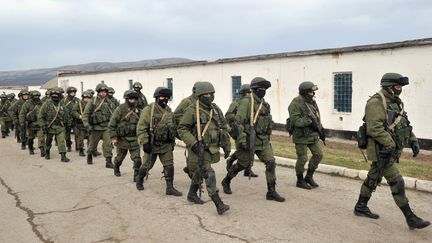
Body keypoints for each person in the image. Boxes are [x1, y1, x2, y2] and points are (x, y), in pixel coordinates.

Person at [353, 73, 430, 230]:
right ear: (389, 86)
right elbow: (374, 128)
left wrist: (413, 140)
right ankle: (410, 217)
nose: (400, 89)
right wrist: (390, 145)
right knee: (397, 182)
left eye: (401, 87)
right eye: (397, 86)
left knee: (373, 177)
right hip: (382, 150)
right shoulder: (376, 102)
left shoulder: (396, 102)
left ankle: (360, 206)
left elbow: (404, 124)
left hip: (390, 150)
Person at [221, 77, 285, 202]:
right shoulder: (246, 102)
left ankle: (271, 191)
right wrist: (242, 139)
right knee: (242, 165)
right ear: (255, 89)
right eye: (261, 88)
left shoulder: (264, 104)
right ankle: (226, 180)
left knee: (271, 162)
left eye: (265, 89)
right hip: (248, 139)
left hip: (263, 141)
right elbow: (238, 123)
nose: (263, 91)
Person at [177, 81, 231, 215]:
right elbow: (182, 128)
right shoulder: (191, 110)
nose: (209, 96)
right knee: (209, 173)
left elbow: (223, 128)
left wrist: (226, 145)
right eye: (206, 94)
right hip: (198, 148)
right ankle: (218, 203)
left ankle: (191, 194)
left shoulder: (216, 109)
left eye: (211, 94)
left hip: (211, 148)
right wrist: (194, 143)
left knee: (199, 172)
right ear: (200, 95)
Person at [135, 87, 182, 197]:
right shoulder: (149, 110)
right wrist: (145, 143)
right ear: (156, 97)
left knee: (169, 165)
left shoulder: (169, 111)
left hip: (166, 144)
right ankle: (139, 179)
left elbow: (173, 127)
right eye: (162, 97)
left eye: (167, 97)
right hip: (152, 144)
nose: (164, 99)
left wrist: (175, 140)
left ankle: (169, 187)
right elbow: (141, 127)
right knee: (146, 166)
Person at [287, 81, 325, 190]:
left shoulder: (312, 102)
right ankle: (299, 180)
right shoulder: (295, 104)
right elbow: (296, 121)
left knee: (318, 155)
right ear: (304, 92)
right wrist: (309, 121)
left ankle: (309, 177)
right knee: (302, 158)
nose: (313, 94)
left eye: (313, 92)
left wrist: (321, 129)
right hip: (301, 136)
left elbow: (316, 116)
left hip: (313, 135)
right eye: (311, 92)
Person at [224, 84, 258, 177]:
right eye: (247, 93)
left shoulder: (253, 104)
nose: (249, 95)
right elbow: (228, 116)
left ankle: (248, 170)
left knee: (252, 148)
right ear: (242, 94)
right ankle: (231, 160)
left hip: (250, 130)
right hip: (239, 130)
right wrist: (240, 117)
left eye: (250, 93)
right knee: (242, 149)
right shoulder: (236, 103)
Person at [109, 90, 142, 181]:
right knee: (119, 158)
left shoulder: (139, 109)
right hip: (122, 139)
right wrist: (114, 137)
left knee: (137, 159)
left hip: (135, 139)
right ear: (126, 99)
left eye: (135, 99)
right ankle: (116, 166)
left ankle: (136, 175)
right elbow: (112, 125)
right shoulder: (120, 109)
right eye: (131, 99)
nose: (133, 101)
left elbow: (143, 123)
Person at [173, 81, 201, 177]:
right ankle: (194, 176)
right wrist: (189, 122)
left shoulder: (203, 101)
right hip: (190, 133)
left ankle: (191, 170)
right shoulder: (187, 101)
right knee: (193, 155)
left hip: (201, 133)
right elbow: (176, 115)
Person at [82, 83, 114, 168]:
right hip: (95, 128)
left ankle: (108, 161)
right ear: (98, 92)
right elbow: (85, 114)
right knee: (92, 145)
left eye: (104, 92)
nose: (103, 93)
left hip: (106, 127)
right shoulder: (93, 101)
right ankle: (89, 155)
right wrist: (87, 125)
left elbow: (114, 115)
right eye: (101, 92)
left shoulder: (109, 102)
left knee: (108, 144)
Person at [38, 88, 70, 162]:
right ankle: (47, 152)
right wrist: (43, 125)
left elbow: (66, 115)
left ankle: (63, 155)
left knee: (61, 141)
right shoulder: (46, 104)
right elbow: (40, 116)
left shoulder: (61, 104)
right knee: (48, 141)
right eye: (53, 95)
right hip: (49, 127)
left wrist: (68, 124)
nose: (55, 96)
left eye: (56, 95)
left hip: (60, 127)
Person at [19, 90, 45, 156]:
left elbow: (45, 113)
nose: (36, 97)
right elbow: (22, 114)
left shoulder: (42, 103)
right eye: (35, 96)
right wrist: (22, 122)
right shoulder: (27, 104)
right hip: (31, 124)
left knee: (41, 137)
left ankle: (42, 149)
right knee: (30, 138)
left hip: (40, 124)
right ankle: (31, 149)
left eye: (38, 96)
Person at [71, 91, 92, 156]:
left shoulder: (92, 104)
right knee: (81, 137)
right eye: (85, 97)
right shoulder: (78, 104)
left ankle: (91, 150)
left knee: (91, 137)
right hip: (80, 124)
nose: (86, 99)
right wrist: (79, 116)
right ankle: (81, 149)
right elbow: (73, 111)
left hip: (89, 123)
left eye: (88, 98)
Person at [62, 86, 80, 152]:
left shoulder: (77, 100)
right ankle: (68, 146)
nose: (73, 94)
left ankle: (78, 147)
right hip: (66, 119)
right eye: (71, 92)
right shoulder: (64, 100)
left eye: (74, 92)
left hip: (75, 119)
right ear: (68, 93)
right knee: (67, 135)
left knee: (77, 134)